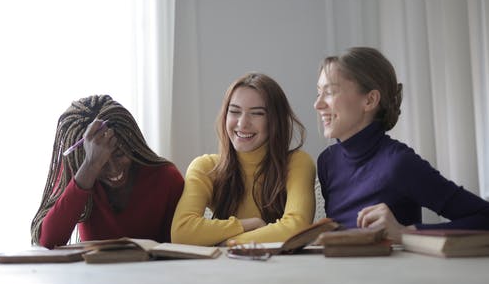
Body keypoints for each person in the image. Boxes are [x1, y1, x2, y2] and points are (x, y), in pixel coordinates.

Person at [314, 46, 489, 242]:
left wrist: (405, 232)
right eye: (319, 92)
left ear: (370, 100)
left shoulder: (399, 163)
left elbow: (485, 217)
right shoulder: (327, 161)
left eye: (329, 92)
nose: (318, 104)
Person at [171, 72, 315, 246]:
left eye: (257, 113)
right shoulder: (206, 167)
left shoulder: (297, 162)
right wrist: (248, 225)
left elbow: (297, 228)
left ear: (275, 121)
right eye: (234, 111)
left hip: (281, 268)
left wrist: (229, 243)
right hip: (225, 270)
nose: (242, 123)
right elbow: (182, 233)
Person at [31, 95, 184, 249]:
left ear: (131, 144)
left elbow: (181, 247)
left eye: (119, 154)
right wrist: (90, 166)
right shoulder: (80, 176)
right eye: (101, 161)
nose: (114, 169)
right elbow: (48, 241)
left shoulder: (166, 178)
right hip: (94, 272)